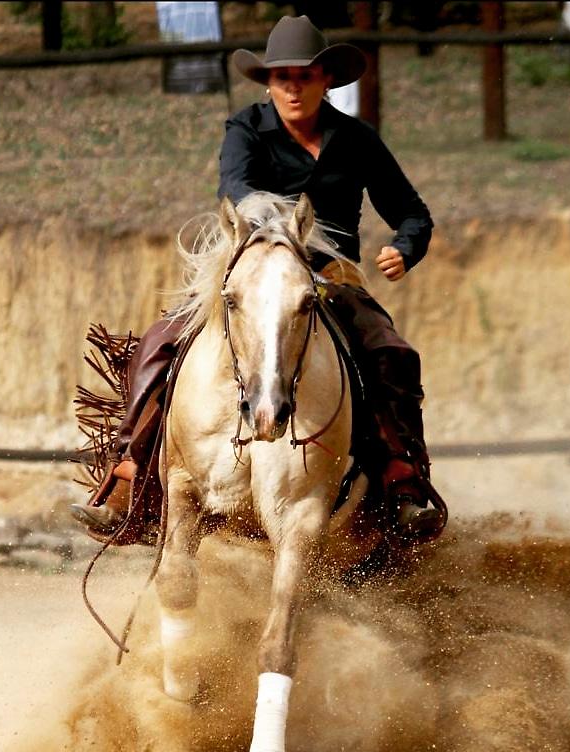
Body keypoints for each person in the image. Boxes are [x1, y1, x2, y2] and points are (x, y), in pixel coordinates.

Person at [74, 15, 445, 543]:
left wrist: (404, 249)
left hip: (331, 278)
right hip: (251, 270)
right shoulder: (245, 129)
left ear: (326, 81)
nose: (293, 87)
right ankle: (130, 472)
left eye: (305, 76)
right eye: (283, 77)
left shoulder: (358, 140)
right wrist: (282, 237)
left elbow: (413, 213)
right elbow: (237, 188)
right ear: (269, 84)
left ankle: (401, 479)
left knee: (390, 352)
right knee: (160, 341)